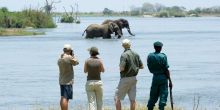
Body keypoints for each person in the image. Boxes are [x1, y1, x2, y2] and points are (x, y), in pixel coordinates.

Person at [115, 39, 144, 110]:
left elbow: (122, 68)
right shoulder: (136, 54)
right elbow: (142, 66)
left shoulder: (124, 55)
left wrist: (120, 68)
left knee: (117, 98)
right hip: (134, 78)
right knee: (132, 99)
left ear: (122, 46)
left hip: (125, 78)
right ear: (130, 45)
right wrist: (134, 67)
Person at [147, 41, 173, 110]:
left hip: (155, 77)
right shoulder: (163, 56)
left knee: (153, 96)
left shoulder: (150, 56)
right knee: (163, 96)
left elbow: (149, 67)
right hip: (163, 78)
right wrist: (170, 81)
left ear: (154, 47)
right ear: (160, 48)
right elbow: (166, 69)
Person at [57, 44, 79, 110]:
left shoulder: (60, 58)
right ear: (69, 50)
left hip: (62, 80)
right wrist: (72, 55)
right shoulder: (69, 57)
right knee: (65, 98)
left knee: (62, 96)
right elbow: (76, 62)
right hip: (68, 81)